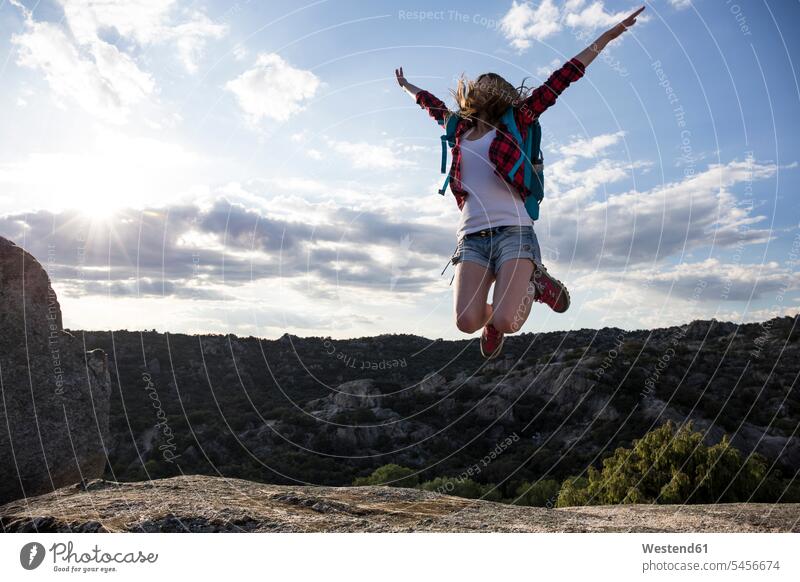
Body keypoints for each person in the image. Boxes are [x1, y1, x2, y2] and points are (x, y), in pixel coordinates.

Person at [395, 7, 644, 359]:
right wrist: (406, 86)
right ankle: (493, 319)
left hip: (515, 232)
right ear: (473, 94)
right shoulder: (459, 130)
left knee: (508, 321)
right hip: (472, 238)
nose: (487, 86)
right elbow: (430, 105)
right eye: (482, 83)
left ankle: (533, 282)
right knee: (466, 322)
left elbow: (565, 76)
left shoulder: (521, 119)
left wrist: (606, 37)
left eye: (494, 84)